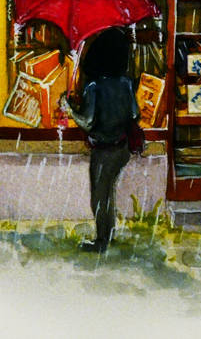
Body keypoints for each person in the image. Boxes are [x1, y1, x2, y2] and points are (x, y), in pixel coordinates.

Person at [60, 27, 139, 253]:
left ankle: (102, 240)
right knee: (108, 192)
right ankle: (108, 235)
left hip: (103, 149)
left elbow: (87, 121)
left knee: (99, 195)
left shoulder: (93, 86)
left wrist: (70, 109)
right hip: (122, 147)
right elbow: (134, 113)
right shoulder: (125, 83)